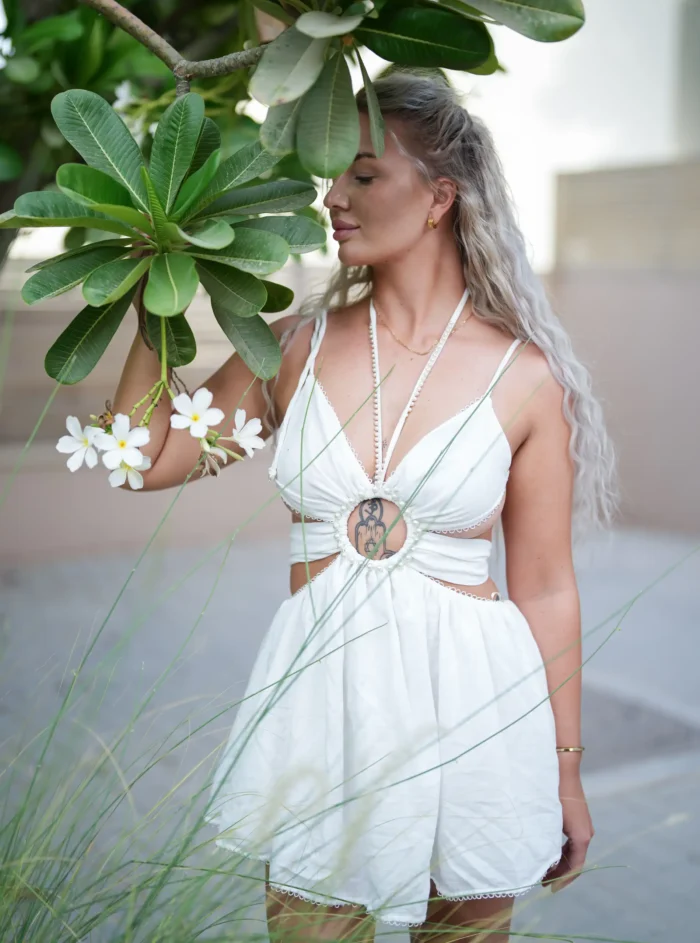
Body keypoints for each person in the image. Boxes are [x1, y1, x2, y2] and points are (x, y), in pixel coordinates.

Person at [112, 71, 619, 942]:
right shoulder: (292, 347)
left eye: (362, 175)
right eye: (330, 175)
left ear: (438, 199)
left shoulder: (526, 380)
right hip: (320, 703)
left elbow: (544, 588)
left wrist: (566, 773)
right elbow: (145, 460)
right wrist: (158, 279)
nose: (331, 196)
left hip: (476, 709)